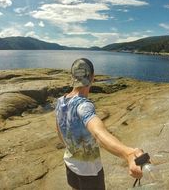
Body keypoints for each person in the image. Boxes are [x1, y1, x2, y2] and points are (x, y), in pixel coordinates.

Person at [55, 58, 143, 190]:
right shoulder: (84, 106)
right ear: (92, 77)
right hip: (89, 172)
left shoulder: (60, 102)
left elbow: (60, 135)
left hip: (69, 163)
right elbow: (98, 133)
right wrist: (128, 153)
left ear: (72, 77)